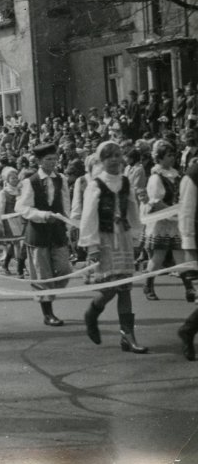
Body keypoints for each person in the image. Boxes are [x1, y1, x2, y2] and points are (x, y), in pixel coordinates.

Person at [79, 142, 147, 353]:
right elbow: (88, 216)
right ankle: (92, 313)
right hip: (105, 239)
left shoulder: (126, 182)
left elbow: (133, 212)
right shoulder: (96, 184)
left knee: (125, 288)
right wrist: (91, 245)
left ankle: (127, 336)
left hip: (124, 238)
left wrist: (136, 238)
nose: (115, 160)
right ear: (102, 160)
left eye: (118, 155)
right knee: (109, 288)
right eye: (109, 157)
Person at [15, 143, 71, 327]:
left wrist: (68, 223)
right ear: (39, 161)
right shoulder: (30, 182)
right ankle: (48, 313)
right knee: (42, 274)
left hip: (57, 231)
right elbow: (22, 207)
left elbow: (65, 203)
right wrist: (42, 215)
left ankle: (47, 295)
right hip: (38, 233)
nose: (53, 163)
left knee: (64, 269)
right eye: (48, 159)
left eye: (55, 159)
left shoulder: (60, 179)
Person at [142, 141, 190, 300]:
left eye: (173, 155)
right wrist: (172, 213)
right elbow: (156, 201)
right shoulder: (156, 177)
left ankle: (189, 289)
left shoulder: (176, 174)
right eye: (168, 155)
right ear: (160, 158)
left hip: (175, 221)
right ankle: (148, 286)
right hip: (162, 221)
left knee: (180, 255)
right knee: (158, 257)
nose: (172, 158)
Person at [177, 159, 198, 361]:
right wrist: (190, 248)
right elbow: (186, 212)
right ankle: (188, 329)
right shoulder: (193, 175)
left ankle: (188, 329)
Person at [0, 167, 26, 277]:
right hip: (9, 221)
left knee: (18, 244)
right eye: (12, 178)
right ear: (7, 180)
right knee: (15, 243)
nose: (15, 180)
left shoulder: (21, 191)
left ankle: (15, 265)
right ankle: (16, 266)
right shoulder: (3, 193)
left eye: (16, 177)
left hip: (20, 220)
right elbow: (1, 210)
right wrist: (0, 223)